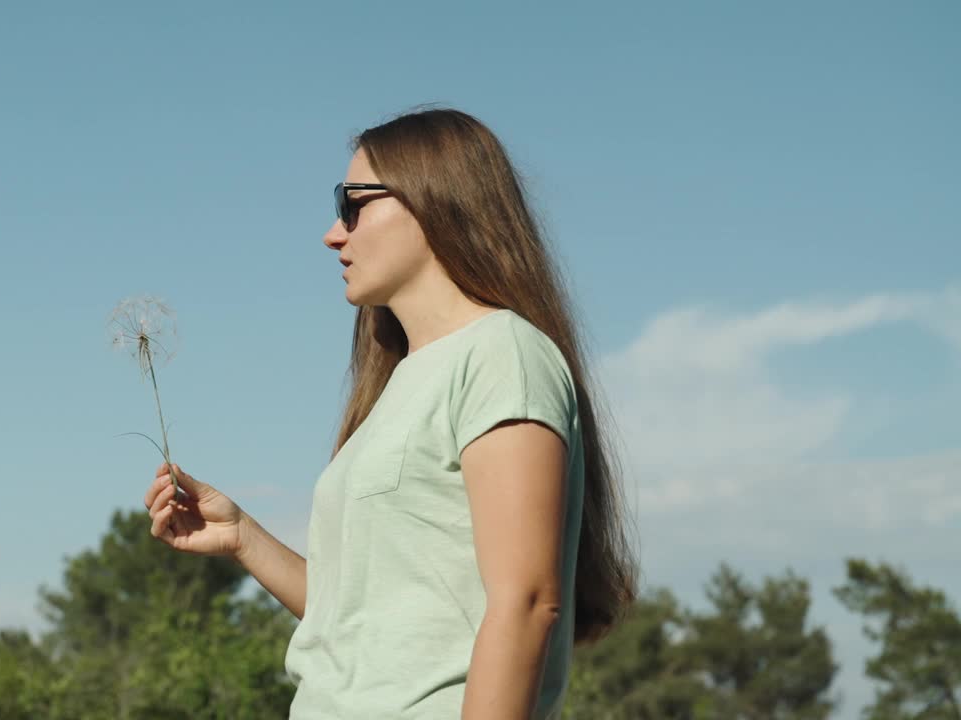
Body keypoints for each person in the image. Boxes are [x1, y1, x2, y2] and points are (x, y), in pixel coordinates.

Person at [142, 105, 637, 719]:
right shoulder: (397, 386)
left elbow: (528, 601)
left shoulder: (500, 353)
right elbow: (364, 623)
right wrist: (243, 538)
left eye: (353, 204)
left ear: (434, 199)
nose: (333, 233)